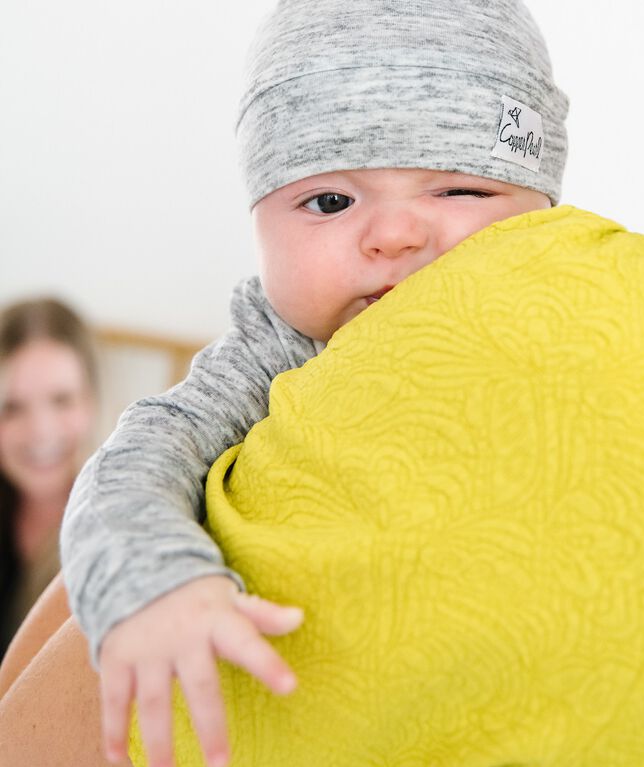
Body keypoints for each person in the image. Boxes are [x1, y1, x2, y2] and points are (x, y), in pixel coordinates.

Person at [53, 2, 568, 766]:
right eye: (330, 201)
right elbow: (134, 463)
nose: (395, 235)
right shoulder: (274, 355)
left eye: (458, 191)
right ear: (259, 224)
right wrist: (156, 585)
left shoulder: (571, 320)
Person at [0, 298, 98, 658]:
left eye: (62, 400)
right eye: (11, 408)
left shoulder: (117, 528)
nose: (40, 432)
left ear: (91, 402)